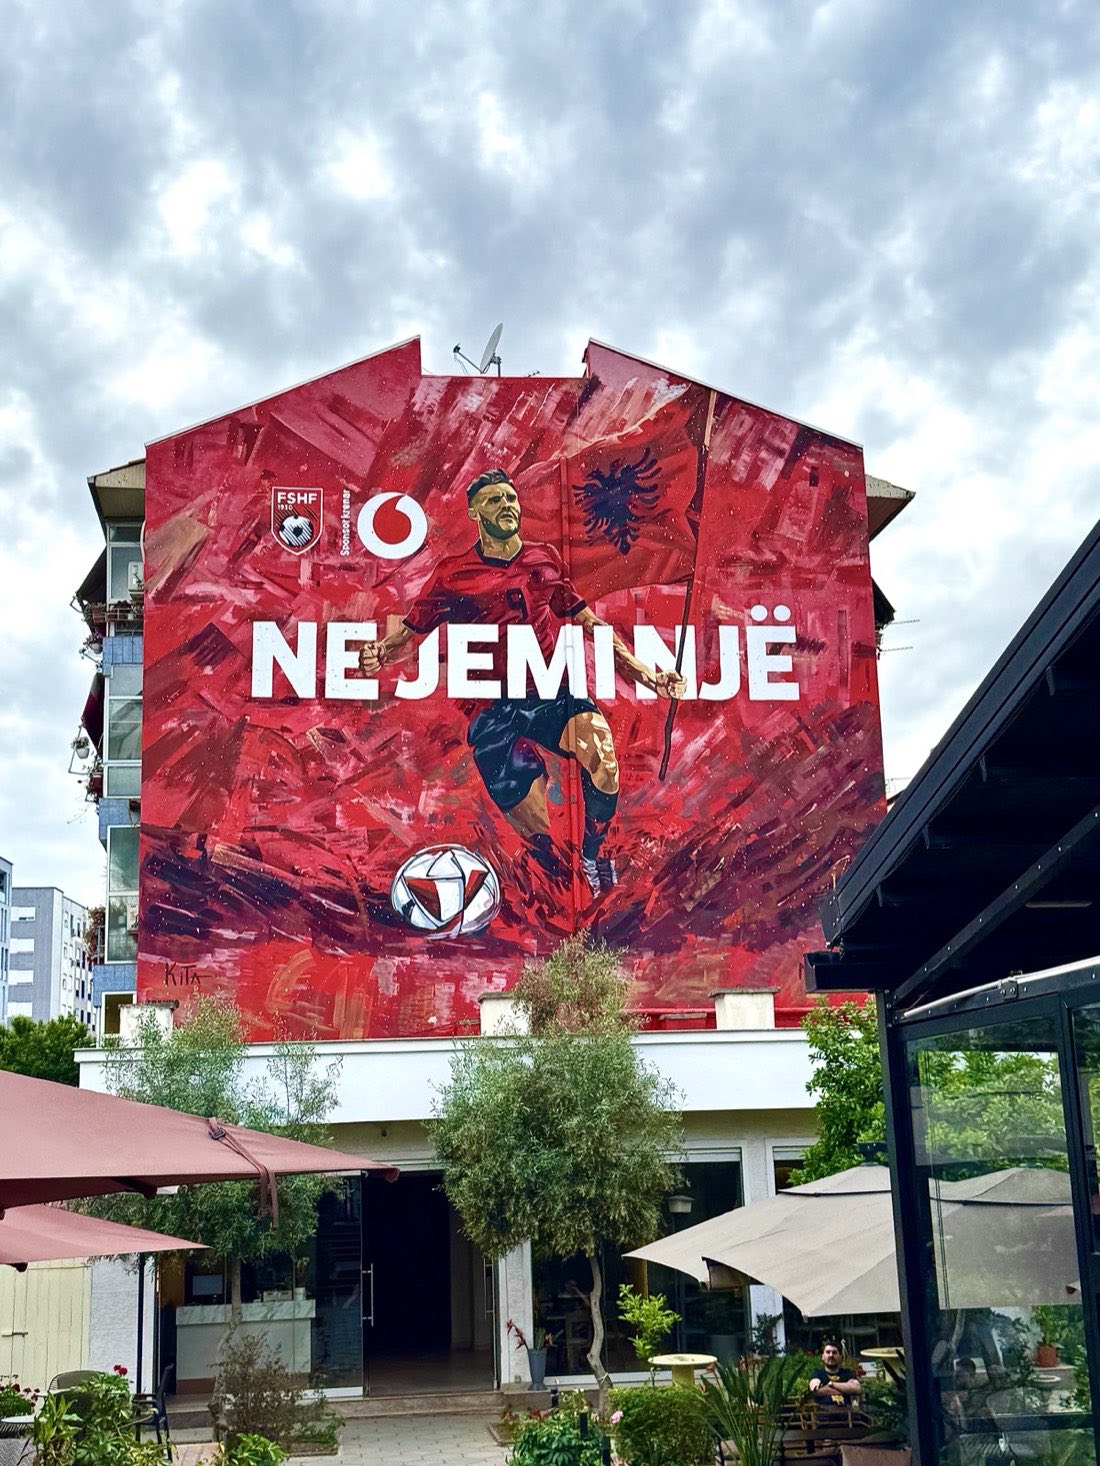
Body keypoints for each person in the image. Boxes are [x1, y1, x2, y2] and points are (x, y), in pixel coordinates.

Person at [358, 468, 685, 897]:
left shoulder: (544, 558)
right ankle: (559, 878)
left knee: (603, 760)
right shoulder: (452, 575)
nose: (506, 507)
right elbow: (409, 636)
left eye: (510, 499)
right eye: (494, 501)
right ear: (475, 512)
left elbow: (588, 622)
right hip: (492, 709)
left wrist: (644, 672)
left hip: (551, 694)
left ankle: (594, 853)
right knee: (539, 835)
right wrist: (379, 653)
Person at [808, 1341, 861, 1411]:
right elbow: (815, 1390)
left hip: (847, 1416)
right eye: (828, 1352)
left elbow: (856, 1388)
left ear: (840, 1357)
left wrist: (832, 1384)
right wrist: (846, 1389)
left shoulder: (848, 1373)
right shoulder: (817, 1373)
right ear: (822, 1357)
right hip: (824, 1417)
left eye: (834, 1352)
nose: (831, 1355)